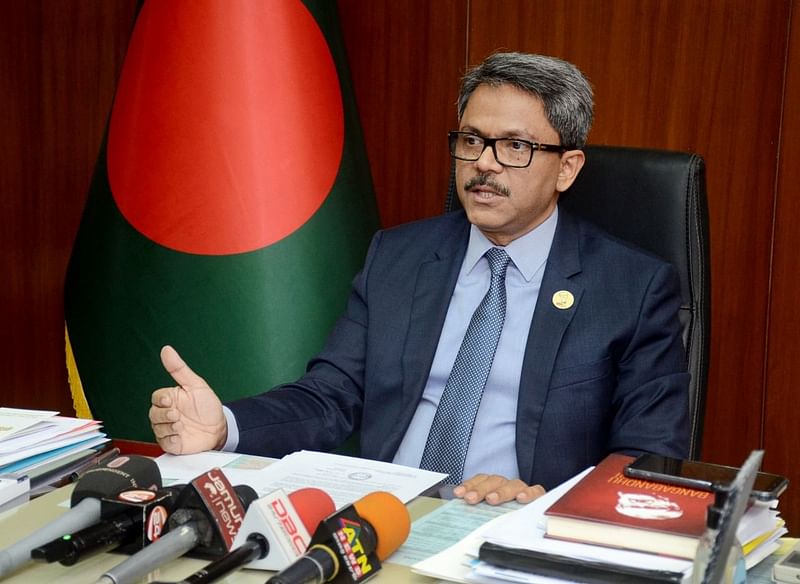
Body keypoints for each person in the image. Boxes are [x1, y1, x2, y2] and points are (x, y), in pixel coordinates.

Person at [150, 52, 689, 505]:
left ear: (567, 169)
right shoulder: (400, 257)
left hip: (519, 534)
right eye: (473, 140)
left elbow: (645, 457)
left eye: (515, 147)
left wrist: (541, 503)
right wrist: (224, 426)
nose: (485, 164)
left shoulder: (632, 289)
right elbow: (330, 397)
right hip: (383, 522)